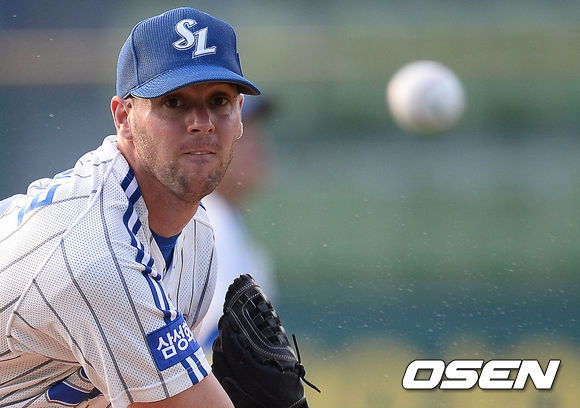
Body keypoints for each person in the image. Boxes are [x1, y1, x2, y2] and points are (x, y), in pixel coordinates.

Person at [0, 7, 260, 408]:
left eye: (219, 100)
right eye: (174, 101)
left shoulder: (197, 236)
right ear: (123, 117)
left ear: (239, 114)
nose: (202, 122)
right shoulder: (96, 250)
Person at [197, 96, 278, 352]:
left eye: (257, 133)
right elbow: (218, 345)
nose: (259, 148)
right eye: (242, 136)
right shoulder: (209, 224)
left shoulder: (219, 216)